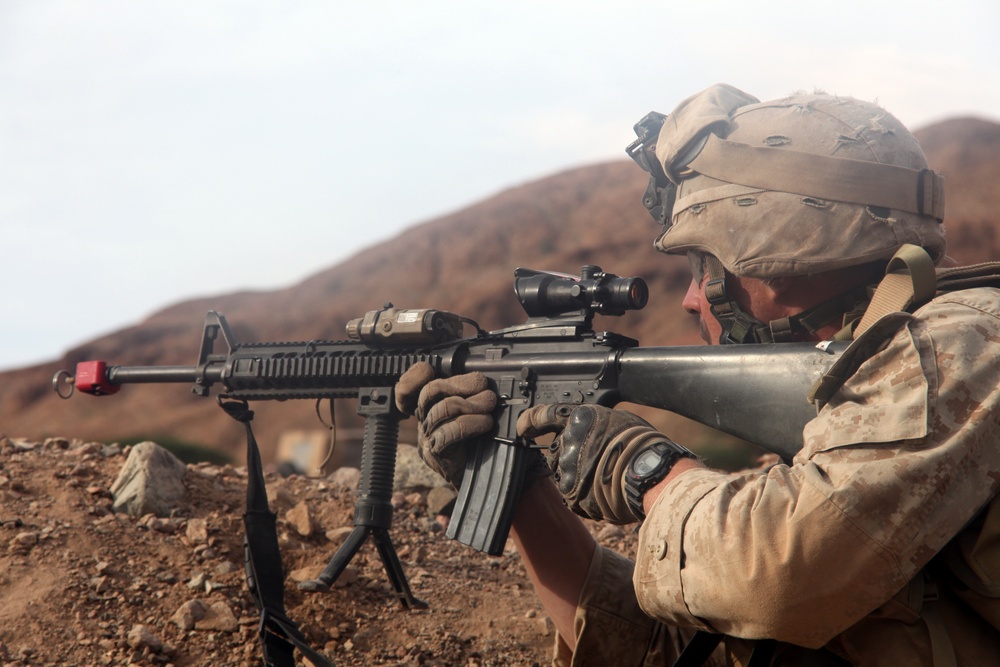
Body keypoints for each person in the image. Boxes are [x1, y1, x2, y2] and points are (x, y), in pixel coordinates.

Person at [395, 84, 1000, 666]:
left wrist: (647, 470)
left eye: (704, 266)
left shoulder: (958, 348)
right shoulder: (851, 422)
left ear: (780, 259)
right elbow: (673, 650)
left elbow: (777, 578)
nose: (689, 298)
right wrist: (523, 488)